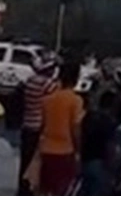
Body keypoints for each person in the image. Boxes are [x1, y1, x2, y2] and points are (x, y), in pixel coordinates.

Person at [39, 62, 85, 195]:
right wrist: (78, 151)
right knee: (61, 190)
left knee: (44, 189)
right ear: (76, 78)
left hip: (46, 149)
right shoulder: (76, 101)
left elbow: (42, 125)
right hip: (65, 151)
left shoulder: (47, 100)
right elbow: (75, 128)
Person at [18, 53, 59, 196]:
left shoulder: (30, 81)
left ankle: (22, 190)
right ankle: (31, 189)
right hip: (39, 126)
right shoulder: (47, 84)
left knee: (25, 160)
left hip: (27, 124)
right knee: (35, 164)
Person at [79, 90, 118, 196]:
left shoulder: (88, 117)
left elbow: (80, 136)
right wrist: (111, 167)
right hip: (99, 163)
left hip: (84, 161)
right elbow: (110, 147)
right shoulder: (109, 122)